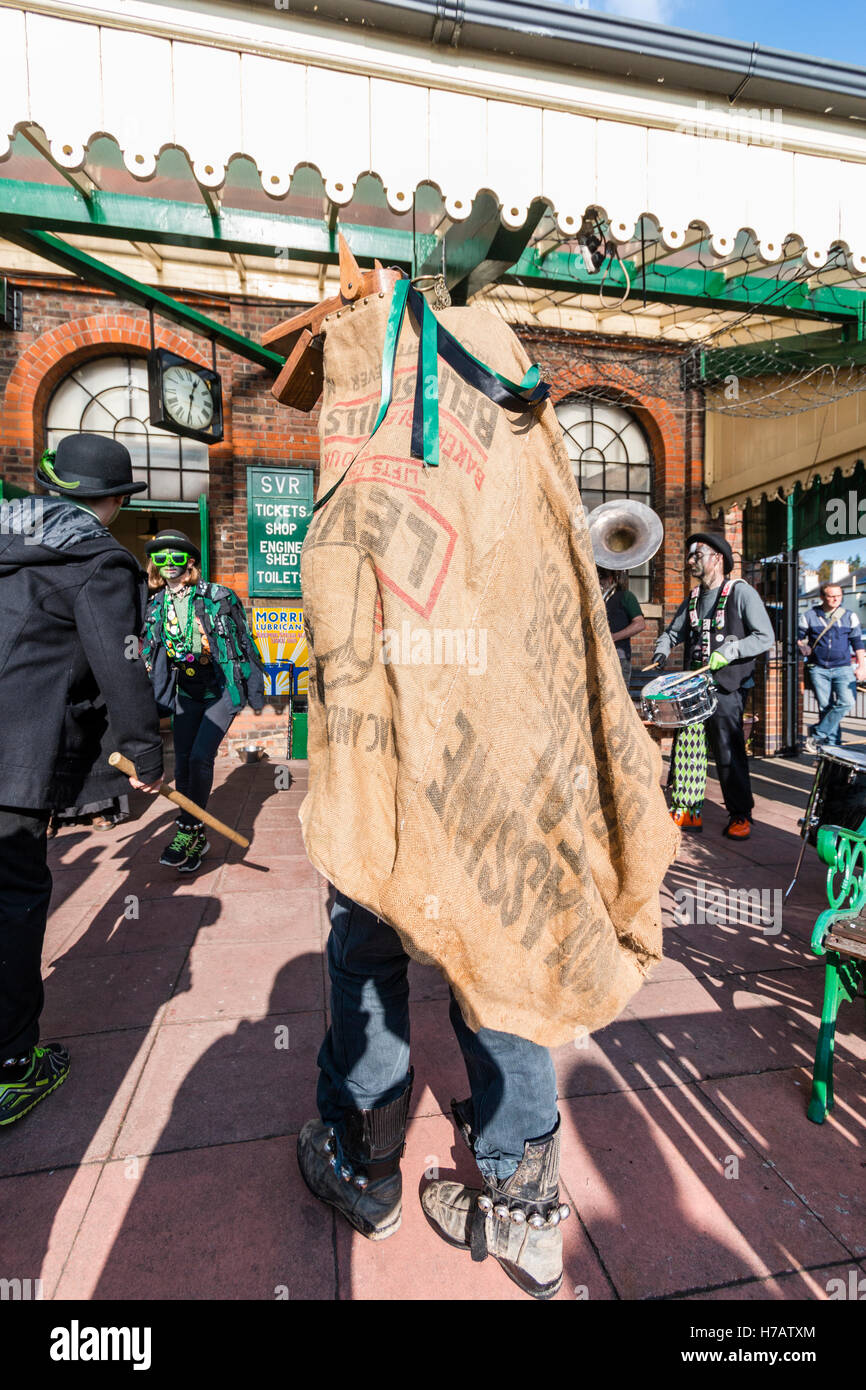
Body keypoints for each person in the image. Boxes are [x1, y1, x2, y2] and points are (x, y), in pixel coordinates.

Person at [0, 433, 164, 1126]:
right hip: (16, 757)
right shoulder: (97, 560)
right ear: (116, 501)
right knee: (13, 900)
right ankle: (10, 1067)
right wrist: (144, 751)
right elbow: (121, 663)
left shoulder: (11, 539)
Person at [141, 530, 265, 872]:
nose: (169, 564)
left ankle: (189, 830)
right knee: (181, 766)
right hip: (186, 693)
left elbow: (245, 640)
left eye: (176, 557)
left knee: (199, 759)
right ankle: (196, 838)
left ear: (190, 562)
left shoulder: (218, 597)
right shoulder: (154, 605)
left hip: (220, 689)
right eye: (161, 557)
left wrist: (252, 684)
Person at [653, 532, 774, 840]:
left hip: (726, 685)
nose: (691, 560)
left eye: (697, 555)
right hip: (693, 686)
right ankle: (687, 809)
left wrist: (730, 652)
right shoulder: (693, 597)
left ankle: (739, 814)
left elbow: (765, 637)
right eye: (690, 555)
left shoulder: (740, 592)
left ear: (717, 558)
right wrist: (662, 648)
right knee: (687, 747)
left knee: (727, 749)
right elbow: (673, 632)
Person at [798, 582, 866, 752]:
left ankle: (817, 734)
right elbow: (796, 637)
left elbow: (858, 643)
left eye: (839, 595)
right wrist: (801, 646)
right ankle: (833, 748)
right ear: (822, 597)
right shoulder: (809, 616)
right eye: (831, 595)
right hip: (818, 668)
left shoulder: (849, 616)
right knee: (825, 708)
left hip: (843, 667)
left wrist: (862, 666)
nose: (836, 599)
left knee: (847, 701)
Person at [598, 566, 646, 689]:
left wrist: (613, 637)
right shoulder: (596, 600)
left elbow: (640, 624)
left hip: (619, 659)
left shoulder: (626, 596)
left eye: (602, 577)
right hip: (597, 657)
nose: (599, 582)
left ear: (612, 579)